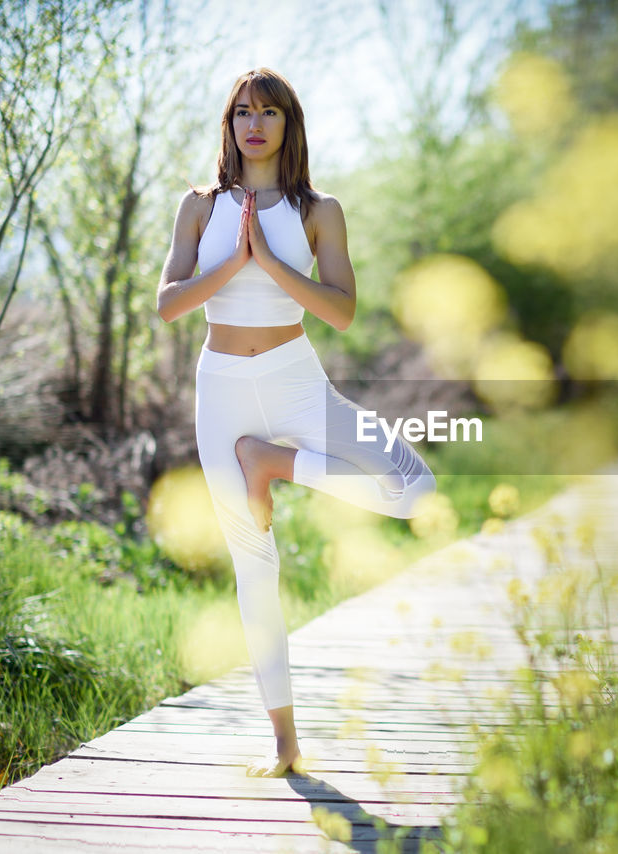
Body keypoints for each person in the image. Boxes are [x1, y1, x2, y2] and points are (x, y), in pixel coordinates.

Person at [157, 68, 437, 777]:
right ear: (228, 124)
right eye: (242, 111)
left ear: (289, 123)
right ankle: (285, 747)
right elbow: (168, 304)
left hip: (295, 385)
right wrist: (236, 264)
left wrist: (272, 264)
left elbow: (340, 311)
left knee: (414, 485)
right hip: (222, 392)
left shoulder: (320, 209)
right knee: (257, 571)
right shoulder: (198, 206)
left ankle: (275, 463)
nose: (254, 123)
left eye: (269, 111)